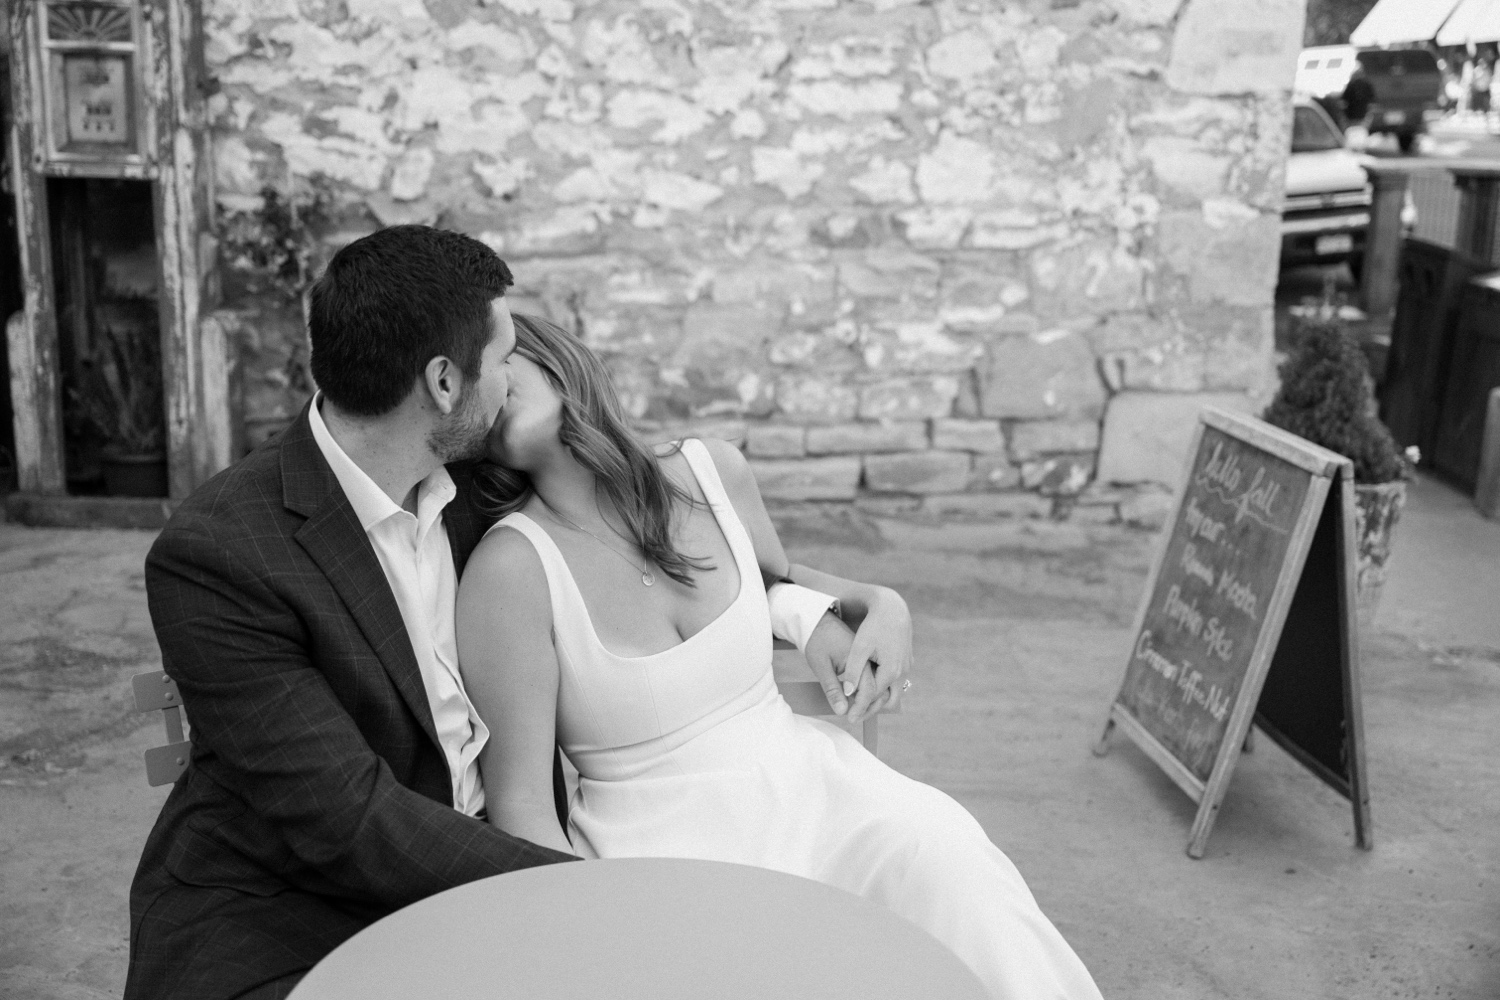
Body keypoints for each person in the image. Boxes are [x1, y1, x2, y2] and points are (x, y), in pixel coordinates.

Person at [125, 225, 886, 1000]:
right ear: (446, 385)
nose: (511, 381)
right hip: (288, 920)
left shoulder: (474, 494)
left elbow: (644, 551)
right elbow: (351, 824)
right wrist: (593, 897)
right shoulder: (222, 553)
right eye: (502, 359)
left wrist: (818, 606)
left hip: (491, 886)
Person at [456, 313, 1105, 1000]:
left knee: (949, 861)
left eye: (494, 362)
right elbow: (521, 800)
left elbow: (770, 579)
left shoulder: (712, 472)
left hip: (811, 783)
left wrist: (878, 600)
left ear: (551, 358)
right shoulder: (511, 569)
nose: (484, 391)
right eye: (465, 387)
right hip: (660, 849)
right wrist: (596, 930)